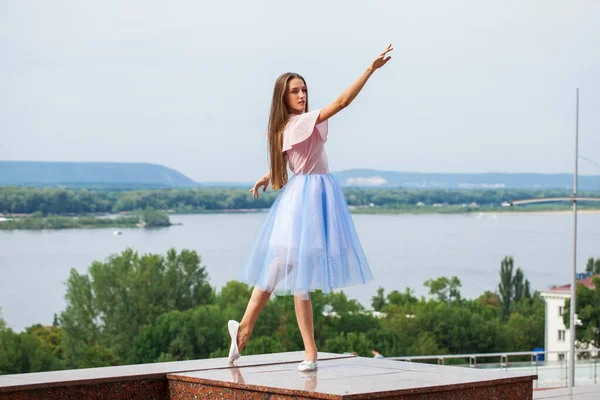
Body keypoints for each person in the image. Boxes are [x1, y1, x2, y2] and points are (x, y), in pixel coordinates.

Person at [227, 44, 393, 372]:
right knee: (287, 269)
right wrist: (369, 70)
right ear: (283, 98)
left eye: (303, 89)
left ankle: (260, 333)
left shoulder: (292, 126)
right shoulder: (296, 124)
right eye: (295, 91)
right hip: (307, 199)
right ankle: (278, 340)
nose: (302, 95)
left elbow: (289, 163)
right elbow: (343, 101)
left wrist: (265, 177)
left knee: (288, 271)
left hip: (313, 195)